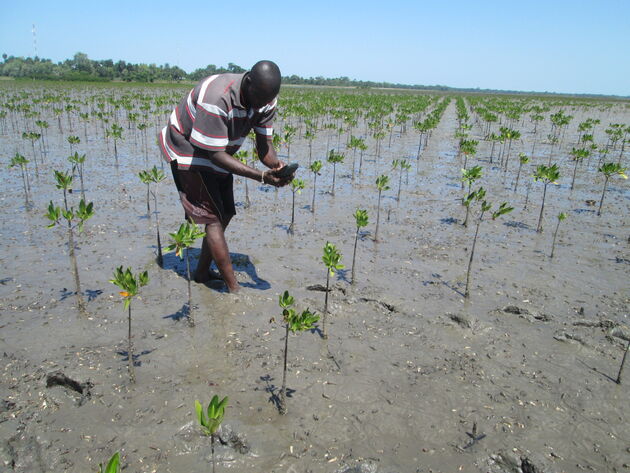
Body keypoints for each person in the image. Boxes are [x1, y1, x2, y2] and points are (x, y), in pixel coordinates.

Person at [159, 60, 293, 293]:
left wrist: (276, 166)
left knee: (225, 213)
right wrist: (261, 177)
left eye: (266, 100)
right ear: (248, 82)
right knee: (212, 218)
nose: (261, 105)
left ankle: (202, 273)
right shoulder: (217, 98)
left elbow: (265, 147)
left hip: (219, 148)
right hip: (187, 147)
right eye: (258, 98)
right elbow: (213, 155)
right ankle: (234, 289)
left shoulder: (266, 99)